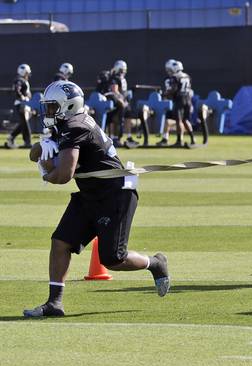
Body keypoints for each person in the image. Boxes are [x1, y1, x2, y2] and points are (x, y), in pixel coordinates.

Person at [23, 80, 170, 318]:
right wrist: (43, 145)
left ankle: (155, 263)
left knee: (113, 259)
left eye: (52, 107)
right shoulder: (66, 123)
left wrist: (46, 172)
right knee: (61, 242)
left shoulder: (75, 126)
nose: (47, 112)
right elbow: (33, 154)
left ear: (68, 105)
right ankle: (54, 303)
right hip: (91, 192)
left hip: (115, 194)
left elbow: (64, 175)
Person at [157, 60, 195, 147]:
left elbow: (174, 89)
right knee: (185, 120)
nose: (169, 71)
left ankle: (179, 140)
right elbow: (189, 89)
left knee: (179, 121)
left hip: (179, 100)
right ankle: (193, 139)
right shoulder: (187, 76)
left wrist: (164, 94)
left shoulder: (175, 77)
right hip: (188, 99)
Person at [104, 60, 138, 148]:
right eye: (122, 70)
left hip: (122, 100)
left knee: (125, 117)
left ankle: (127, 137)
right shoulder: (115, 77)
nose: (124, 72)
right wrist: (122, 99)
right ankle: (114, 138)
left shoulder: (121, 78)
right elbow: (114, 90)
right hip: (117, 101)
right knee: (116, 119)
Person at [4, 64, 32, 149]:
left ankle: (11, 137)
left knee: (23, 123)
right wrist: (22, 98)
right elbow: (17, 89)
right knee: (25, 123)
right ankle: (27, 142)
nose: (28, 74)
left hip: (25, 103)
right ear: (24, 72)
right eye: (27, 72)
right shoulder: (19, 80)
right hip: (22, 103)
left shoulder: (21, 79)